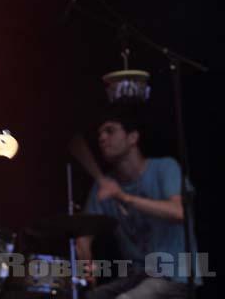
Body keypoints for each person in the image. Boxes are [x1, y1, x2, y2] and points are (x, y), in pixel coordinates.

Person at [75, 107, 199, 299]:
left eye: (110, 130)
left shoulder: (165, 168)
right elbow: (84, 236)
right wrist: (86, 261)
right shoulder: (105, 185)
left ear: (133, 137)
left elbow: (179, 212)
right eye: (99, 133)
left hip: (175, 275)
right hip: (137, 276)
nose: (102, 138)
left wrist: (124, 197)